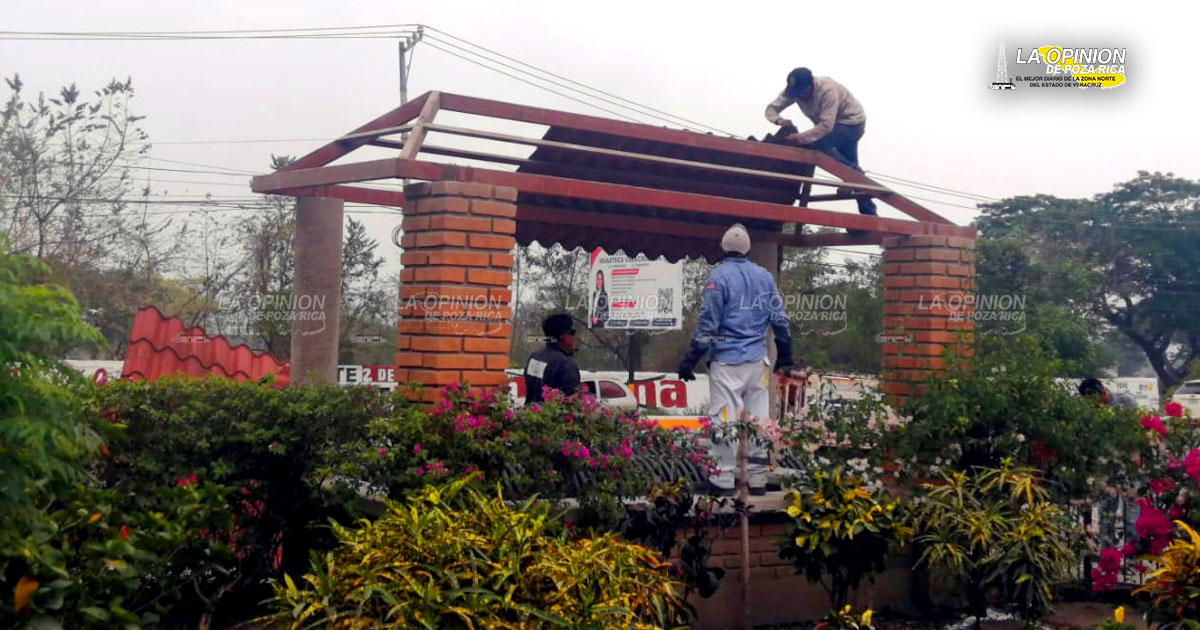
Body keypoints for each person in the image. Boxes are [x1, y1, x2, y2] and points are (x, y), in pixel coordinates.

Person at [677, 224, 794, 494]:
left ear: (723, 247)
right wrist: (786, 354)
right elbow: (779, 319)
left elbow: (709, 325)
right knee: (758, 420)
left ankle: (723, 479)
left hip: (727, 362)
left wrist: (690, 358)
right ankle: (757, 480)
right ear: (749, 249)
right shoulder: (764, 277)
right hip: (758, 363)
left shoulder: (718, 277)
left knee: (723, 420)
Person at [765, 67, 877, 217]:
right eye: (796, 94)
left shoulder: (826, 90)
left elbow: (826, 126)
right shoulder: (793, 91)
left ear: (811, 85)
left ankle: (854, 174)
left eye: (802, 93)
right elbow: (771, 109)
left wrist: (798, 137)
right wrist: (779, 120)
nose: (799, 97)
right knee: (850, 167)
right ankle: (869, 215)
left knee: (819, 145)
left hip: (852, 123)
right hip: (834, 127)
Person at [524, 313, 581, 404]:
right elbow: (572, 405)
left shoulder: (534, 357)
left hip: (529, 415)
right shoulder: (566, 365)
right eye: (572, 332)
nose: (574, 337)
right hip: (551, 417)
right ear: (564, 336)